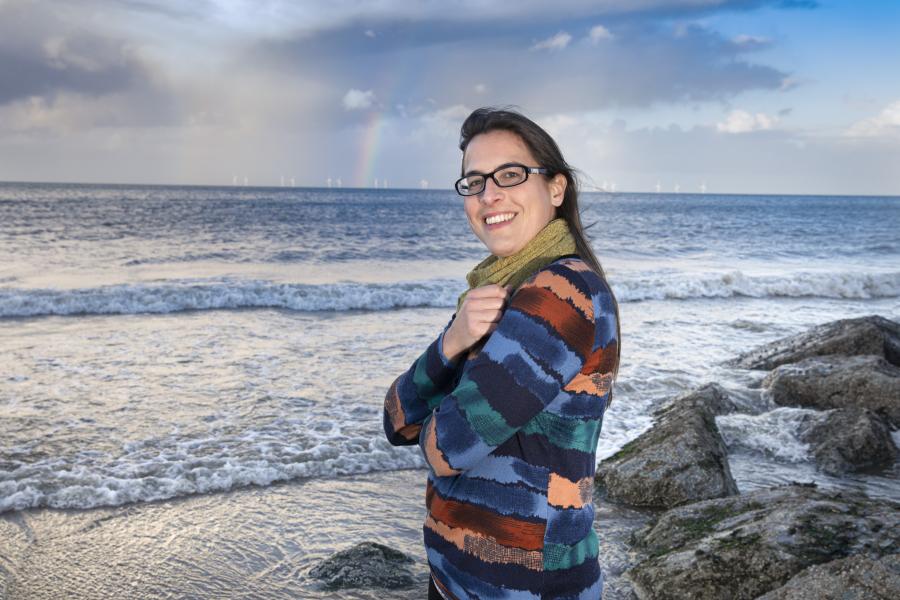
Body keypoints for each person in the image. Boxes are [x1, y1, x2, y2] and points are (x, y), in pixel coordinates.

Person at [383, 107, 621, 600]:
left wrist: (438, 412)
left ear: (556, 188)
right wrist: (453, 342)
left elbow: (446, 447)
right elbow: (394, 421)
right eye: (473, 182)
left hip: (530, 588)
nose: (489, 194)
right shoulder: (497, 294)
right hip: (457, 581)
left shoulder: (562, 292)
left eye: (510, 175)